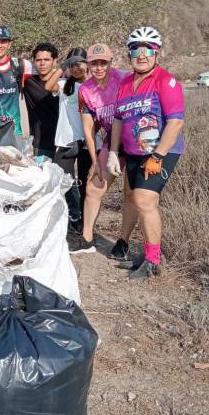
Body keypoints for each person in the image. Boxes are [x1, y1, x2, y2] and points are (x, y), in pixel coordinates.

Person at [108, 27, 185, 279]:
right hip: (132, 152)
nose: (141, 55)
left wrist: (158, 155)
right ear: (129, 53)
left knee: (144, 200)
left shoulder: (166, 80)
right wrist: (112, 151)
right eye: (135, 50)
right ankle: (142, 252)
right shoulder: (126, 82)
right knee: (131, 198)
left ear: (156, 52)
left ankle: (153, 260)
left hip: (160, 151)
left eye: (147, 50)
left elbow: (175, 122)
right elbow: (118, 120)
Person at [72, 43, 137, 259]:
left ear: (110, 63)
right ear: (88, 65)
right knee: (93, 188)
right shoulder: (85, 90)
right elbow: (89, 130)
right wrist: (94, 160)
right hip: (112, 141)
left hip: (135, 139)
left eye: (103, 63)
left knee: (131, 194)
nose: (99, 68)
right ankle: (87, 239)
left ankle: (123, 242)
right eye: (94, 63)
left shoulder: (125, 79)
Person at [44, 47, 92, 231]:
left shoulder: (94, 85)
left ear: (87, 64)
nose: (76, 68)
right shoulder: (65, 85)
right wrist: (62, 67)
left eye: (80, 63)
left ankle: (84, 220)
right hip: (65, 140)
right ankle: (71, 213)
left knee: (86, 184)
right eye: (72, 64)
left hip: (88, 142)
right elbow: (48, 86)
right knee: (63, 180)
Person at [23, 43, 61, 159]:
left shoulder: (64, 83)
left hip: (63, 143)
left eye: (47, 59)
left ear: (55, 61)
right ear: (34, 61)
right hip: (40, 143)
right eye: (38, 60)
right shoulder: (28, 82)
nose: (42, 63)